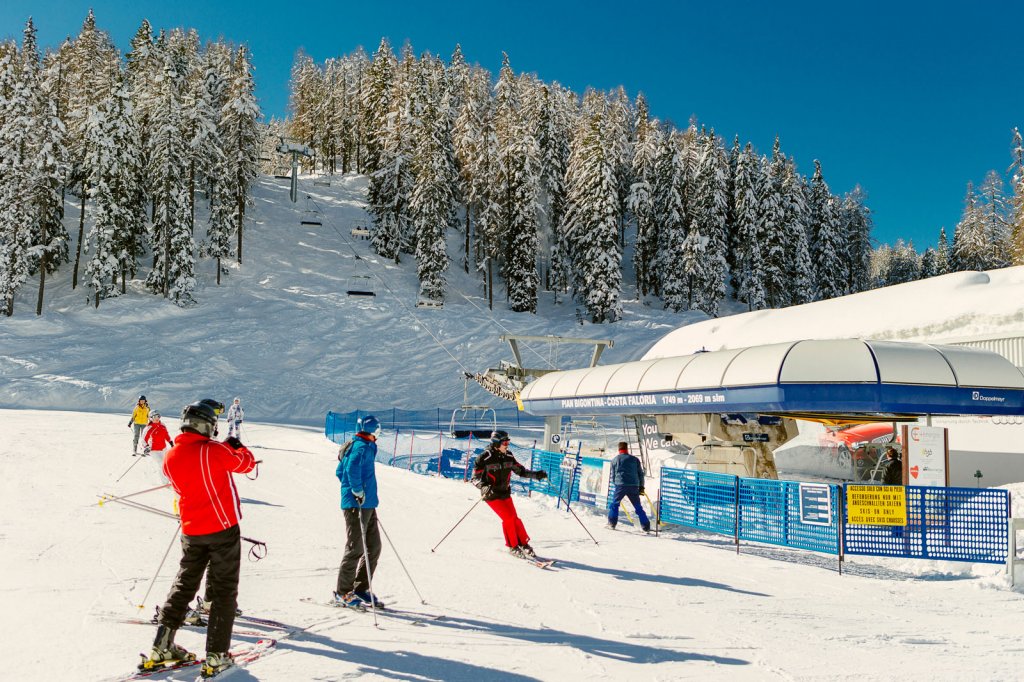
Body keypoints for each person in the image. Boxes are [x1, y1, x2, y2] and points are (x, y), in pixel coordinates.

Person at [142, 399, 256, 679]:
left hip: (191, 531)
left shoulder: (170, 457)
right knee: (224, 589)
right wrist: (237, 447)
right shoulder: (213, 450)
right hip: (222, 529)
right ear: (207, 426)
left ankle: (162, 644)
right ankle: (217, 655)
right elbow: (245, 464)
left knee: (184, 584)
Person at [334, 415, 385, 608]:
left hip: (367, 504)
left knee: (374, 546)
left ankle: (360, 587)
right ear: (373, 430)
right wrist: (356, 491)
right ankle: (342, 591)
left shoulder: (364, 445)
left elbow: (340, 471)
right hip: (357, 505)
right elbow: (350, 469)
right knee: (355, 547)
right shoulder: (360, 447)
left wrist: (361, 493)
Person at [472, 430, 547, 558]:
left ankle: (523, 544)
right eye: (504, 442)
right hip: (491, 494)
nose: (507, 444)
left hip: (505, 493)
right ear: (496, 443)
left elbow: (521, 471)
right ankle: (513, 546)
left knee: (515, 518)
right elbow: (475, 478)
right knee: (508, 518)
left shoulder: (509, 456)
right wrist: (483, 487)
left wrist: (536, 475)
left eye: (508, 442)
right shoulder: (485, 457)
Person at [606, 442, 651, 532]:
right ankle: (646, 526)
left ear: (619, 449)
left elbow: (613, 475)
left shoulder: (615, 460)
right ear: (627, 449)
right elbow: (640, 474)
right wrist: (641, 486)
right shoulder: (635, 459)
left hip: (620, 485)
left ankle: (612, 523)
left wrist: (616, 484)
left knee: (615, 504)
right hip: (633, 485)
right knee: (638, 507)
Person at [142, 412, 175, 481]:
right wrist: (146, 447)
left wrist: (170, 442)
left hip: (163, 449)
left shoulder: (162, 425)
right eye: (154, 417)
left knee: (166, 464)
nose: (157, 419)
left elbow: (166, 434)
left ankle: (169, 479)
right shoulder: (148, 428)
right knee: (161, 464)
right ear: (151, 418)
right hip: (153, 450)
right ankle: (164, 482)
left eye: (158, 417)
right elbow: (144, 440)